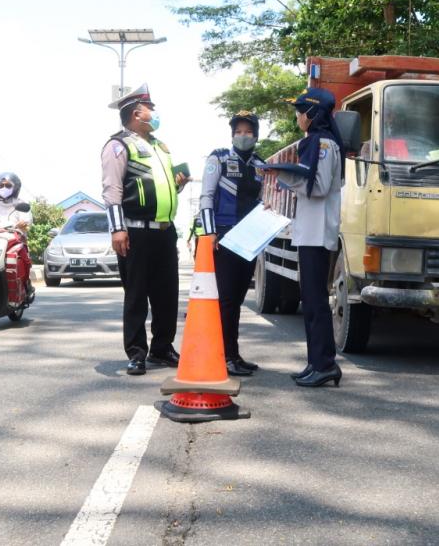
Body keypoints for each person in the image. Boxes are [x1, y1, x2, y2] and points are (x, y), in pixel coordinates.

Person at [100, 84, 190, 376]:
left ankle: (162, 348)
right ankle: (137, 353)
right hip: (135, 232)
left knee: (167, 294)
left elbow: (157, 187)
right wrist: (117, 229)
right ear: (137, 113)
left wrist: (178, 184)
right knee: (136, 294)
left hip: (164, 231)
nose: (154, 113)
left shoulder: (159, 146)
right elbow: (112, 190)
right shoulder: (117, 145)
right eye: (150, 108)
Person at [264, 87, 344, 388]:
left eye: (300, 111)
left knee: (316, 302)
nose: (298, 116)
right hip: (309, 231)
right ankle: (316, 362)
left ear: (312, 113)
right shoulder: (318, 142)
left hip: (316, 232)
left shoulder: (322, 143)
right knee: (310, 301)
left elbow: (320, 186)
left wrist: (284, 177)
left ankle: (325, 364)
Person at [199, 110, 266, 377]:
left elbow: (263, 199)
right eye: (238, 132)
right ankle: (224, 356)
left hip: (250, 238)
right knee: (226, 299)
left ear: (255, 135)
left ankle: (233, 354)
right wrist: (210, 232)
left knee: (237, 299)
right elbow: (206, 195)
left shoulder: (260, 165)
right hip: (224, 236)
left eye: (247, 132)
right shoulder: (219, 158)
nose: (242, 136)